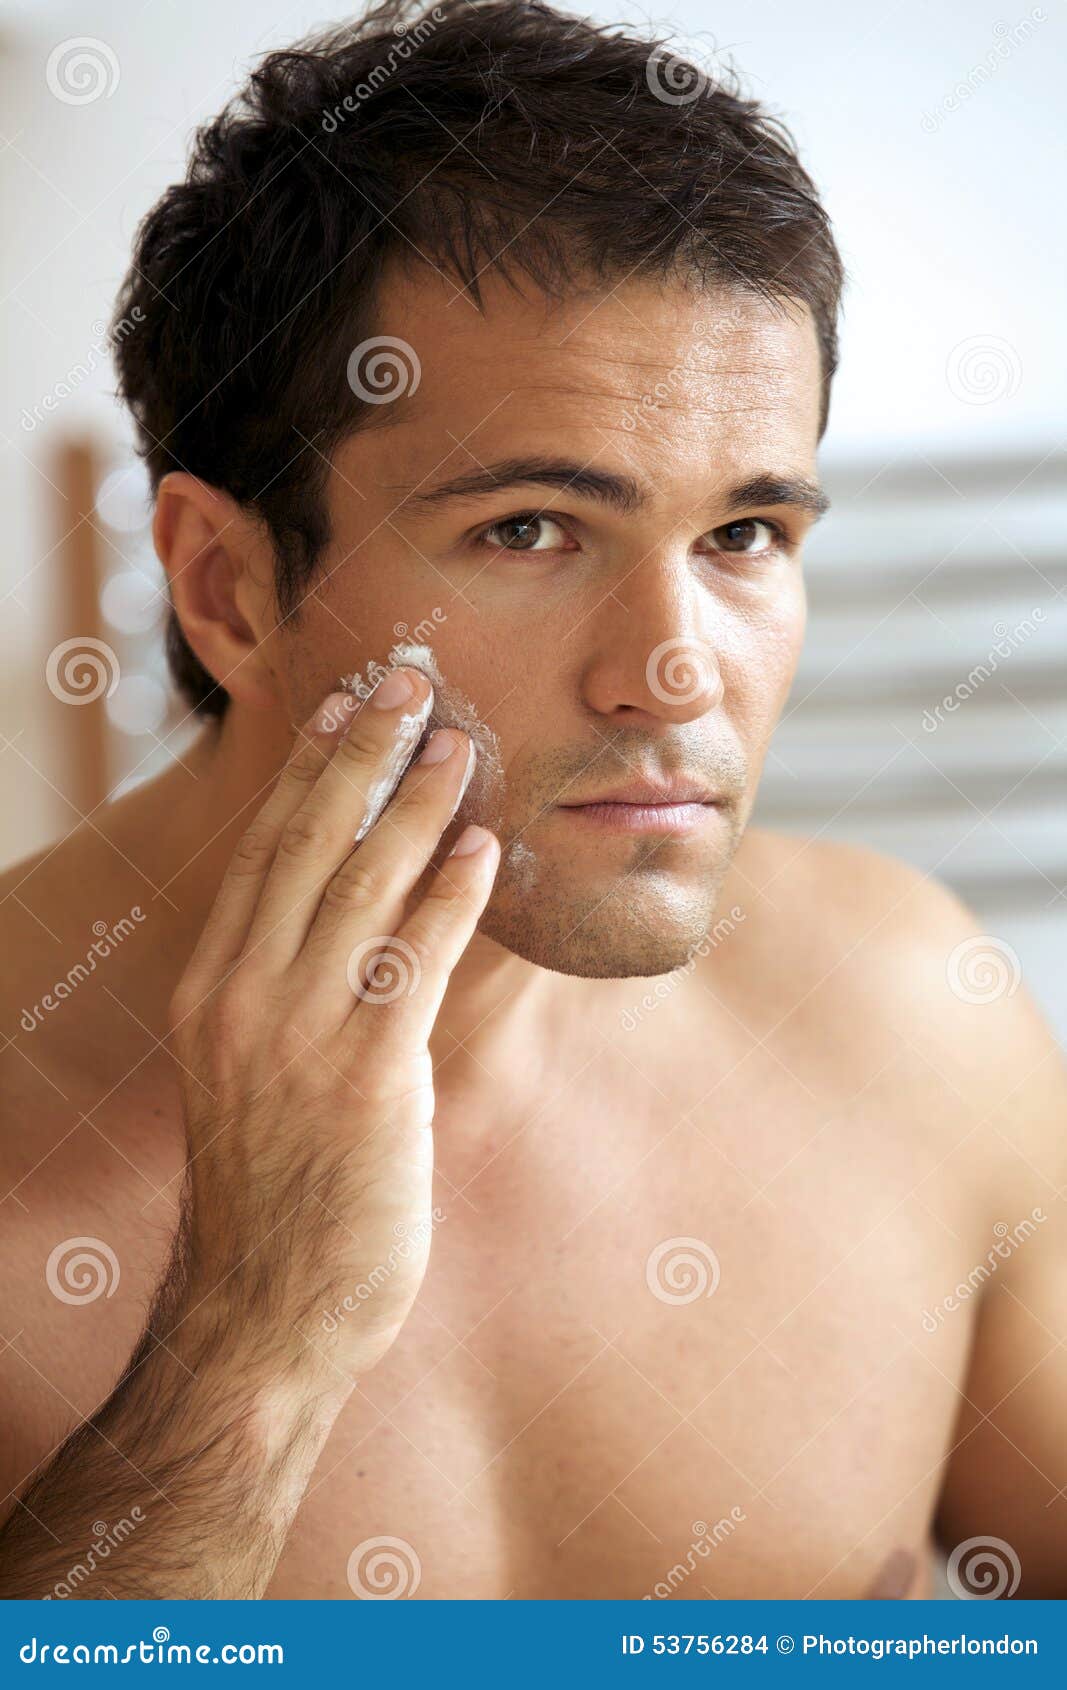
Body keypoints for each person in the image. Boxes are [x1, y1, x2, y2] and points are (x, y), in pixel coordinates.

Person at [1, 0, 1064, 1602]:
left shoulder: (914, 1018)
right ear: (226, 586)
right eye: (530, 530)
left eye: (746, 536)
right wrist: (248, 1335)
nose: (676, 673)